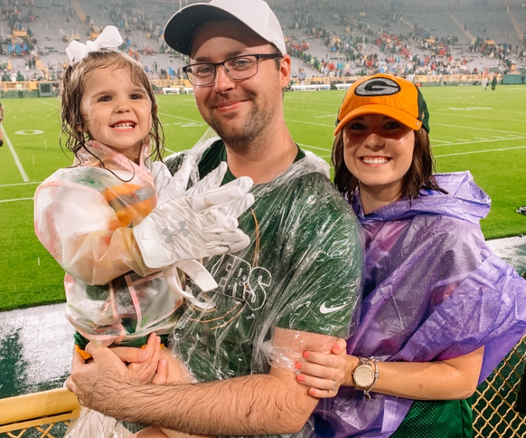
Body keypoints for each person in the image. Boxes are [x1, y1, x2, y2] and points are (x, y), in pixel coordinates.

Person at [66, 1, 363, 437]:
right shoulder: (176, 176)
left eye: (241, 62)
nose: (221, 82)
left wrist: (124, 397)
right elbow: (104, 284)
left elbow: (285, 405)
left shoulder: (323, 224)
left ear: (283, 70)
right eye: (204, 68)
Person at [293, 74, 526, 437]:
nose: (372, 139)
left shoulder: (452, 237)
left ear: (418, 141)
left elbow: (460, 378)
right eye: (357, 126)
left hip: (419, 427)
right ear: (341, 141)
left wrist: (352, 371)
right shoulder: (333, 219)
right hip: (325, 421)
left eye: (392, 126)